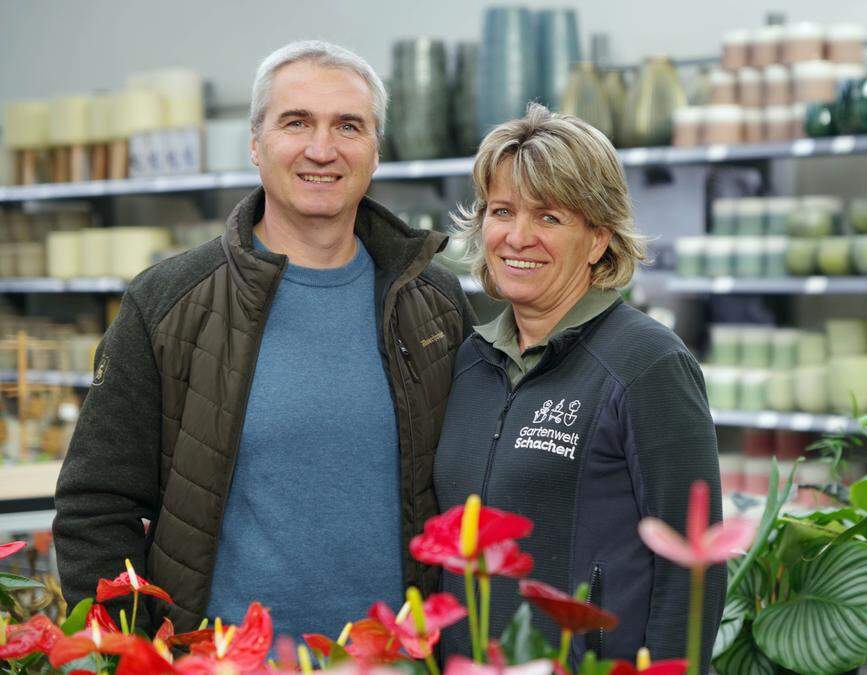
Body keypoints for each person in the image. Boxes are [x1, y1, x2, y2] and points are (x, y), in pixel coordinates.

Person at [52, 40, 476, 639]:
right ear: (256, 144)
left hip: (403, 657)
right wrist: (131, 653)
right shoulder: (168, 303)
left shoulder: (433, 302)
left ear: (376, 150)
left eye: (348, 126)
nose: (321, 149)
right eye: (296, 122)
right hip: (224, 658)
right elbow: (97, 505)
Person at [433, 104, 723, 668]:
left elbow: (693, 573)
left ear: (597, 239)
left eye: (549, 218)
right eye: (502, 210)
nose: (518, 237)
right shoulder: (469, 361)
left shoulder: (647, 363)